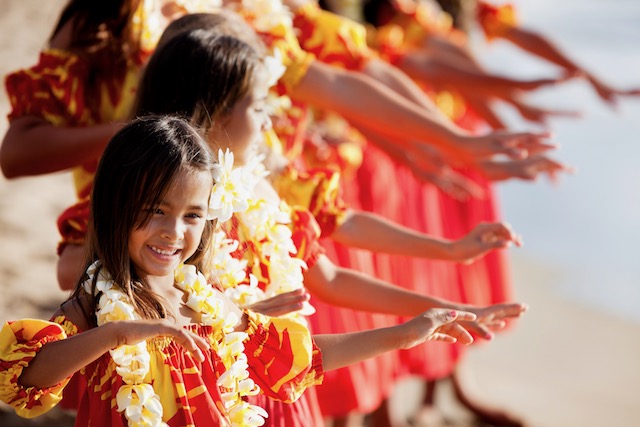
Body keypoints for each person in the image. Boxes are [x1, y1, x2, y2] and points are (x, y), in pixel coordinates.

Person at [133, 25, 529, 426]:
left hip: (279, 392)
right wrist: (229, 316)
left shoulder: (261, 190)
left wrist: (441, 305)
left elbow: (332, 279)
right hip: (211, 398)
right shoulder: (177, 216)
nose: (271, 123)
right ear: (217, 111)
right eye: (258, 108)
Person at [0, 115, 483, 426]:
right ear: (115, 207)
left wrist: (405, 334)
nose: (174, 232)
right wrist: (117, 334)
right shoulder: (97, 304)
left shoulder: (206, 299)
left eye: (192, 215)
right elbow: (24, 377)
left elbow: (302, 359)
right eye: (154, 210)